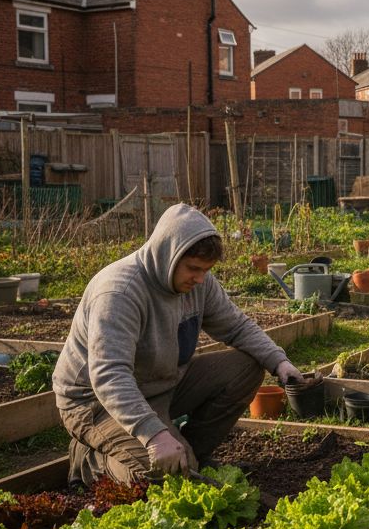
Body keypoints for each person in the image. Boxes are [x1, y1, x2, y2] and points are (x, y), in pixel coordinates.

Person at [53, 203, 303, 485]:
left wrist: (279, 362)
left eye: (205, 270)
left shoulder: (199, 283)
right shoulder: (119, 292)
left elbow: (236, 325)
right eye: (193, 268)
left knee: (246, 367)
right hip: (95, 402)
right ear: (166, 254)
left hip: (159, 386)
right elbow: (109, 375)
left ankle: (188, 452)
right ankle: (90, 459)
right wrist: (154, 435)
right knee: (157, 478)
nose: (199, 278)